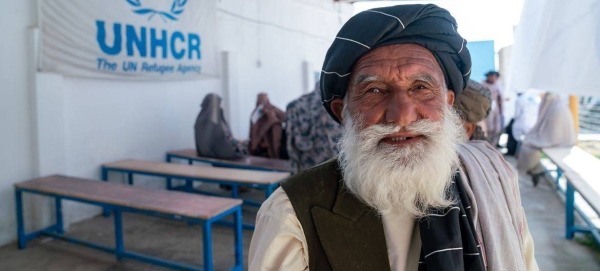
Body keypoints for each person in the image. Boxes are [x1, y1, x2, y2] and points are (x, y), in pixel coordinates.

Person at [249, 5, 538, 271]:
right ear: (343, 112)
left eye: (421, 87)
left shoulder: (493, 182)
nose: (402, 116)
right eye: (374, 90)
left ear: (448, 104)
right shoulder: (290, 214)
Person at [517, 93, 576, 186]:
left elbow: (554, 137)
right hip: (560, 141)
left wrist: (537, 138)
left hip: (560, 143)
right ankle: (536, 170)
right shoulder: (557, 107)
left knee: (527, 145)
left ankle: (534, 170)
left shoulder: (556, 110)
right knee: (528, 143)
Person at [285, 82, 344, 172]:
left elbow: (292, 151)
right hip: (333, 173)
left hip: (309, 174)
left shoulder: (294, 106)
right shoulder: (343, 105)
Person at [194, 93, 248, 159]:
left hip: (204, 151)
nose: (220, 107)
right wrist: (237, 142)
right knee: (246, 147)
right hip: (218, 152)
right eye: (219, 104)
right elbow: (223, 140)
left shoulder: (200, 119)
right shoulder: (214, 123)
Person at [248, 93, 286, 158]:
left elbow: (284, 117)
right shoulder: (255, 114)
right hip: (260, 148)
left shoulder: (274, 110)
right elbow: (253, 131)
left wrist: (270, 115)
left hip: (273, 140)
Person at [506, 90, 541, 156]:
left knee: (515, 137)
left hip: (521, 123)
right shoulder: (534, 98)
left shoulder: (520, 99)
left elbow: (517, 114)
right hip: (532, 124)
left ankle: (512, 152)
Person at [480, 71, 504, 147]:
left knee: (497, 127)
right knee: (488, 126)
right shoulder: (483, 85)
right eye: (491, 76)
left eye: (495, 77)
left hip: (496, 107)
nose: (493, 78)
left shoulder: (498, 85)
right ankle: (487, 144)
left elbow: (500, 97)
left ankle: (494, 144)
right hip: (486, 106)